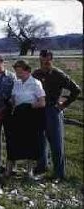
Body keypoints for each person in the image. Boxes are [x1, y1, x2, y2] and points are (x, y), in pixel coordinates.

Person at [32, 50, 81, 180]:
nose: (45, 64)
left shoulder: (58, 74)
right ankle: (42, 167)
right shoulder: (35, 74)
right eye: (42, 61)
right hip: (39, 111)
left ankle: (59, 173)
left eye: (47, 62)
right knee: (40, 140)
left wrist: (64, 104)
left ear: (51, 60)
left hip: (53, 110)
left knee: (56, 143)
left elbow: (76, 90)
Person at [6, 60, 45, 177]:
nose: (18, 74)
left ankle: (29, 171)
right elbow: (13, 99)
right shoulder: (17, 83)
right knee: (13, 142)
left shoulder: (35, 83)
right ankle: (9, 170)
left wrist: (28, 106)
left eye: (20, 72)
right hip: (18, 115)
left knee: (30, 142)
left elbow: (42, 102)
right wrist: (10, 101)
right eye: (16, 72)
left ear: (27, 71)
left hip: (30, 115)